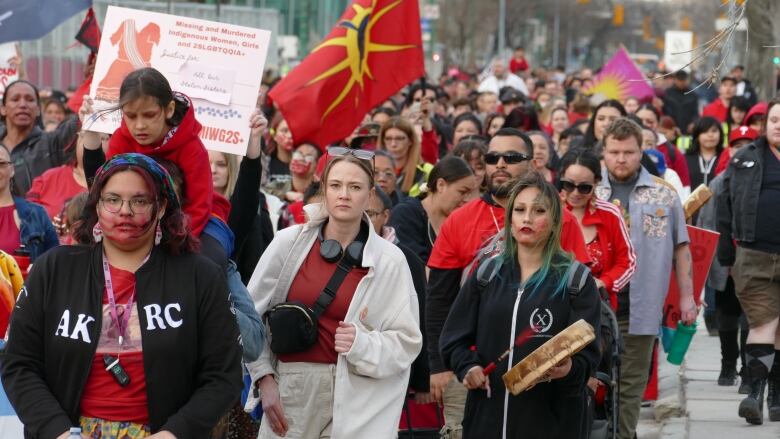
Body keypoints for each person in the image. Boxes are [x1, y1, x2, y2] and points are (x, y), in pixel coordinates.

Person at [1, 153, 243, 438]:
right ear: (97, 205)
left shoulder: (200, 276)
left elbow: (223, 375)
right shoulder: (54, 269)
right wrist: (57, 431)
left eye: (139, 201)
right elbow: (19, 363)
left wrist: (174, 433)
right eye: (112, 200)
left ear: (162, 206)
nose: (124, 211)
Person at [246, 148, 422, 438]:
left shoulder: (391, 260)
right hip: (291, 388)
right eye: (336, 185)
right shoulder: (287, 243)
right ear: (324, 190)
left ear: (369, 195)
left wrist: (362, 344)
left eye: (355, 187)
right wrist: (264, 378)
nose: (344, 195)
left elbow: (406, 342)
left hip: (358, 395)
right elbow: (251, 318)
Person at [426, 128, 589, 439]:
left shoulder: (561, 220)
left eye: (511, 157)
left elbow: (580, 301)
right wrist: (440, 364)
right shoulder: (460, 219)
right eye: (492, 157)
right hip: (473, 370)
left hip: (545, 388)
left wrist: (582, 370)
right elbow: (439, 299)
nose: (499, 164)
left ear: (532, 163)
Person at [595, 117, 696, 439]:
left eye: (628, 152)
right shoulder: (590, 192)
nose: (621, 159)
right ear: (604, 153)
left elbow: (682, 247)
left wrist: (687, 297)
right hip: (593, 308)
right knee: (595, 383)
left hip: (642, 307)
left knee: (631, 385)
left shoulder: (663, 195)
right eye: (614, 152)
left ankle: (623, 434)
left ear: (642, 151)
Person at [80, 68, 212, 237]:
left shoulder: (192, 148)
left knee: (210, 255)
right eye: (131, 116)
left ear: (169, 109)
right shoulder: (121, 139)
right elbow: (105, 190)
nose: (140, 125)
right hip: (137, 224)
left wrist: (176, 244)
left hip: (188, 226)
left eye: (149, 115)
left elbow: (199, 206)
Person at [717, 98, 780, 425]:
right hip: (754, 257)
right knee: (763, 323)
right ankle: (755, 391)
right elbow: (724, 206)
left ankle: (776, 394)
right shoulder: (744, 159)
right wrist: (726, 254)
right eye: (774, 119)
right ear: (765, 124)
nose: (779, 125)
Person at [368, 186, 431, 404]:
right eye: (361, 213)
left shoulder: (405, 258)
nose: (364, 220)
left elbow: (420, 315)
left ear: (386, 216)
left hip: (391, 367)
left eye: (371, 214)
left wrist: (423, 379)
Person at [559, 148, 636, 310]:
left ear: (596, 183)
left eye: (584, 187)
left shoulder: (610, 214)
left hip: (597, 308)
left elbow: (627, 261)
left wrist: (604, 282)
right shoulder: (547, 211)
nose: (575, 193)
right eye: (568, 185)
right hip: (553, 305)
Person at [389, 156, 476, 264]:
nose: (467, 200)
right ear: (441, 185)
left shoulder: (462, 220)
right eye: (462, 192)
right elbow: (415, 271)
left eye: (470, 194)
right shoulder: (406, 214)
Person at [1, 80, 80, 195]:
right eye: (15, 99)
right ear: (3, 109)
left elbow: (76, 124)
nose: (23, 105)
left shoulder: (52, 144)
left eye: (30, 100)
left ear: (38, 109)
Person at [0, 145, 58, 261]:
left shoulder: (37, 214)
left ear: (12, 169)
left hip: (28, 279)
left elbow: (55, 262)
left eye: (1, 163)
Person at [26, 132, 91, 219]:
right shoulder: (49, 178)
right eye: (84, 136)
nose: (90, 142)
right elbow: (27, 216)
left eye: (102, 138)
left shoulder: (112, 182)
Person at [635, 103, 692, 188]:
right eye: (639, 121)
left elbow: (684, 187)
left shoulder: (673, 152)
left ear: (657, 124)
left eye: (649, 121)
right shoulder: (622, 147)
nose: (644, 124)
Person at [377, 117, 433, 197]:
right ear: (383, 141)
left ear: (410, 141)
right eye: (388, 139)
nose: (393, 144)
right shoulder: (371, 170)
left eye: (399, 138)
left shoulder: (426, 171)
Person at [685, 117, 724, 191]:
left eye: (714, 131)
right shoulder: (686, 158)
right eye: (705, 132)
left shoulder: (726, 157)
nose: (710, 135)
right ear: (697, 136)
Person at [262, 113, 294, 198]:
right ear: (274, 135)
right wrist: (285, 195)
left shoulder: (303, 162)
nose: (290, 135)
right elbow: (261, 190)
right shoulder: (265, 163)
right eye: (284, 131)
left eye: (292, 130)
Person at [662, 70, 699, 135]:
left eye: (683, 80)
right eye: (679, 80)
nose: (681, 83)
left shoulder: (692, 94)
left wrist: (693, 123)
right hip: (672, 129)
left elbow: (695, 112)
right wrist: (672, 126)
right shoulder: (668, 93)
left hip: (688, 129)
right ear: (675, 80)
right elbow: (666, 111)